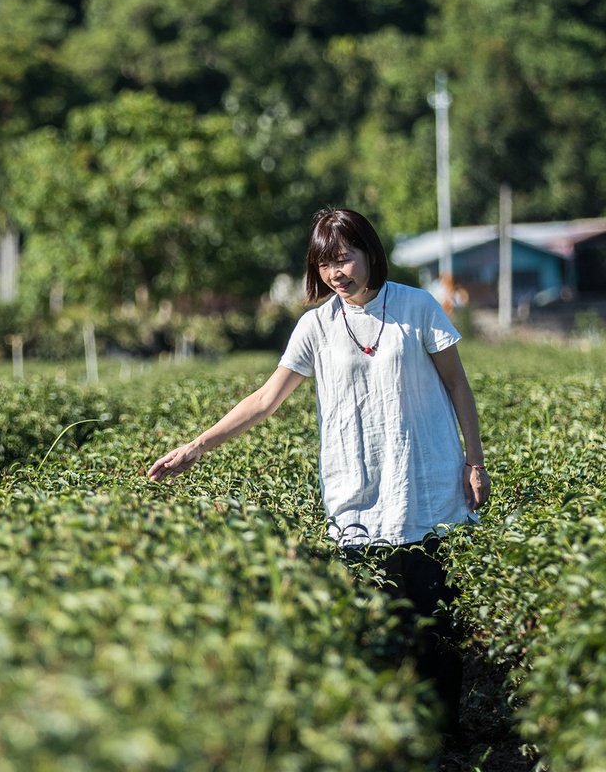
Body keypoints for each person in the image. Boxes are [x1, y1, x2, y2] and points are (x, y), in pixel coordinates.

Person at [146, 207, 489, 740]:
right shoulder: (317, 326)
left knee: (434, 622)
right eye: (325, 263)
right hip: (356, 494)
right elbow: (265, 400)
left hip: (424, 486)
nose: (337, 272)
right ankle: (388, 733)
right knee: (374, 625)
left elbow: (458, 387)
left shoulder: (416, 307)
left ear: (370, 253)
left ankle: (446, 735)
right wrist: (196, 446)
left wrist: (475, 461)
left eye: (345, 258)